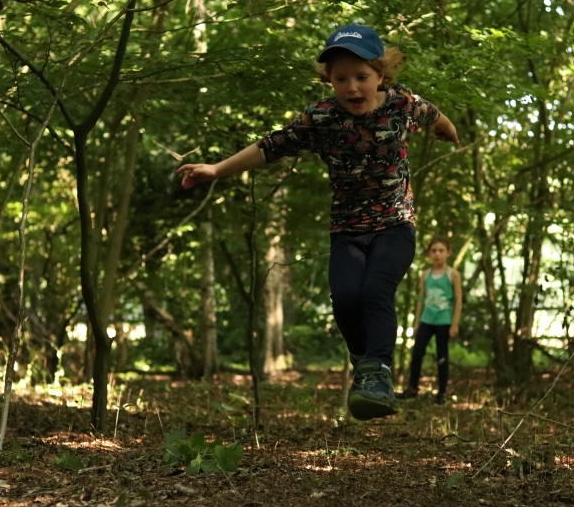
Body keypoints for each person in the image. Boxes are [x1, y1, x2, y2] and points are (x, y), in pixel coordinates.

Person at [178, 23, 459, 421]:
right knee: (345, 299)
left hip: (396, 223)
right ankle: (364, 360)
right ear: (329, 79)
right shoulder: (321, 118)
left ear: (380, 75)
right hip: (346, 229)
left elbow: (436, 116)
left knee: (376, 290)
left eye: (361, 77)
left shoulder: (402, 104)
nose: (352, 88)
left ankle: (379, 374)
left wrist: (448, 129)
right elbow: (270, 146)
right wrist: (217, 170)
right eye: (341, 78)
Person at [398, 236, 462, 405]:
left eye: (441, 250)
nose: (437, 254)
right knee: (417, 353)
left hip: (443, 320)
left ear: (448, 253)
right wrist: (416, 322)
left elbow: (458, 300)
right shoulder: (425, 275)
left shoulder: (453, 275)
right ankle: (412, 389)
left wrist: (454, 323)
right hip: (427, 319)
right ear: (429, 254)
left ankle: (441, 393)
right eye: (434, 251)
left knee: (442, 356)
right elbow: (421, 299)